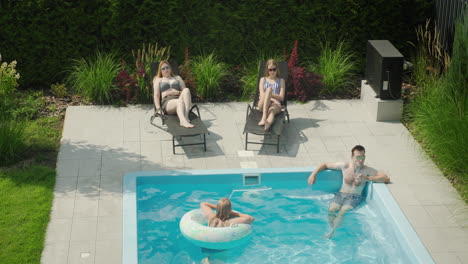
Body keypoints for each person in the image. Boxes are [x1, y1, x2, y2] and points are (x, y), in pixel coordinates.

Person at [307, 145, 390, 239]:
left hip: (355, 197)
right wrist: (313, 175)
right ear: (352, 157)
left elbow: (386, 178)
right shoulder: (345, 166)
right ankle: (333, 227)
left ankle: (332, 232)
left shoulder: (367, 170)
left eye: (363, 157)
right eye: (358, 157)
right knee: (331, 210)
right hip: (340, 195)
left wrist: (367, 178)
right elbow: (325, 164)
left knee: (343, 211)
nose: (361, 160)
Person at [153, 61, 194, 128]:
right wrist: (158, 109)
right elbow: (156, 96)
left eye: (167, 67)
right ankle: (182, 121)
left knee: (187, 90)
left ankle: (186, 116)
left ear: (170, 68)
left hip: (179, 98)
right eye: (163, 69)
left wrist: (176, 93)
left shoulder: (177, 78)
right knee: (179, 101)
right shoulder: (158, 80)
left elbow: (185, 92)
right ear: (160, 71)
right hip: (167, 103)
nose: (166, 70)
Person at [257, 59, 286, 131]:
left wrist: (270, 95)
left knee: (272, 112)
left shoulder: (281, 81)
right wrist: (271, 97)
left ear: (277, 69)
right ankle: (264, 117)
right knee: (269, 89)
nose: (272, 72)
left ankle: (268, 124)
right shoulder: (262, 79)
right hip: (263, 104)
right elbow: (262, 94)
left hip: (275, 105)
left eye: (274, 69)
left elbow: (281, 97)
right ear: (267, 70)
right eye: (270, 70)